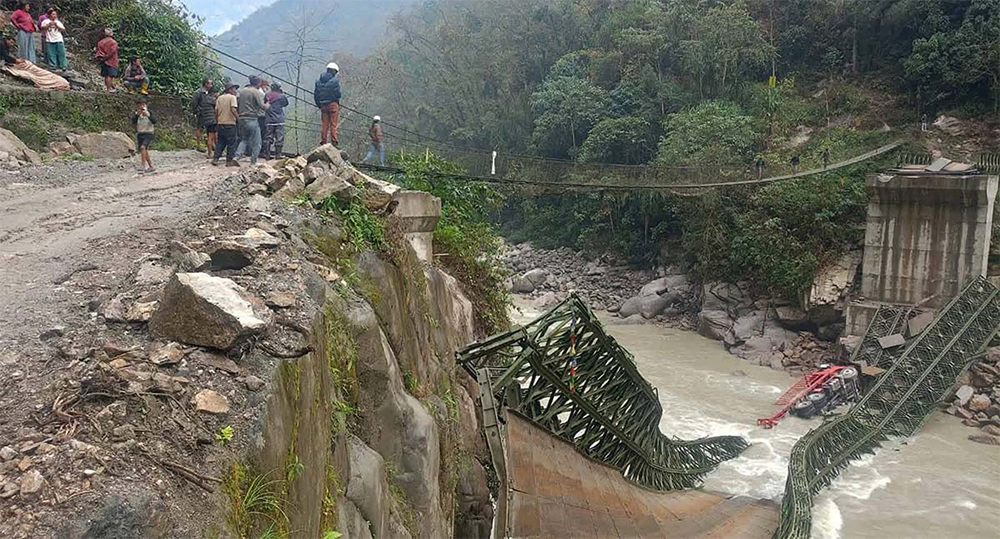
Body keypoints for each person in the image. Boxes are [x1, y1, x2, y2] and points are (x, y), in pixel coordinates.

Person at [236, 75, 269, 165]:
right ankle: (253, 161)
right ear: (258, 83)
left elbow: (237, 103)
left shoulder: (241, 91)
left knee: (244, 139)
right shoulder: (256, 92)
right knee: (257, 142)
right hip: (252, 118)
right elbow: (262, 106)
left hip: (242, 118)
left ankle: (237, 156)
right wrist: (268, 104)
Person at [212, 82, 240, 167]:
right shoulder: (232, 98)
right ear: (230, 89)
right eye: (234, 89)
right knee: (231, 143)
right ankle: (229, 161)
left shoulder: (219, 98)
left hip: (221, 123)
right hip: (230, 123)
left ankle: (215, 159)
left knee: (220, 142)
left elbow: (216, 111)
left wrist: (217, 121)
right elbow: (233, 109)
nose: (235, 91)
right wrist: (238, 119)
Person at [314, 62, 341, 146]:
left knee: (324, 124)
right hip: (333, 104)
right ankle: (334, 141)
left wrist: (319, 105)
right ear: (334, 71)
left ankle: (323, 141)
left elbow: (316, 95)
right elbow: (338, 94)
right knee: (333, 124)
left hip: (323, 105)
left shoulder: (318, 81)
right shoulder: (335, 81)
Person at [262, 82, 288, 160]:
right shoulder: (282, 96)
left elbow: (264, 103)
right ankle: (278, 155)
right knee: (279, 137)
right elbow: (285, 104)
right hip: (279, 119)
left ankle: (267, 155)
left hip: (269, 119)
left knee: (268, 137)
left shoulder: (267, 95)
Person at [132, 97, 157, 173]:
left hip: (149, 133)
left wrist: (148, 115)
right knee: (144, 150)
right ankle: (151, 166)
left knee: (143, 148)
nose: (141, 107)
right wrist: (137, 115)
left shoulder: (150, 112)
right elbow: (133, 122)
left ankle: (143, 165)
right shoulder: (137, 113)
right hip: (140, 133)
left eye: (143, 105)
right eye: (139, 105)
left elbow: (155, 121)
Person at [191, 78, 213, 150]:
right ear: (206, 84)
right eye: (210, 84)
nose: (211, 85)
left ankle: (210, 145)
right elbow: (194, 103)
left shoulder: (208, 92)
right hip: (201, 113)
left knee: (209, 130)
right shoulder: (198, 92)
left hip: (207, 114)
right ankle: (199, 145)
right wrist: (197, 111)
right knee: (200, 128)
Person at [197, 86, 219, 159]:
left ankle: (211, 152)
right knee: (211, 137)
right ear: (213, 93)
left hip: (206, 120)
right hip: (212, 120)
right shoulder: (213, 100)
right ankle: (210, 153)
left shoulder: (204, 99)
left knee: (210, 135)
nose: (217, 94)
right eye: (216, 93)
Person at [95, 27, 118, 92]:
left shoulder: (100, 42)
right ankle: (108, 89)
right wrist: (107, 57)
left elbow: (98, 51)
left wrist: (102, 58)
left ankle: (108, 88)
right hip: (111, 61)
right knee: (110, 75)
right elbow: (112, 51)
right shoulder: (113, 42)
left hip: (103, 61)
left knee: (106, 75)